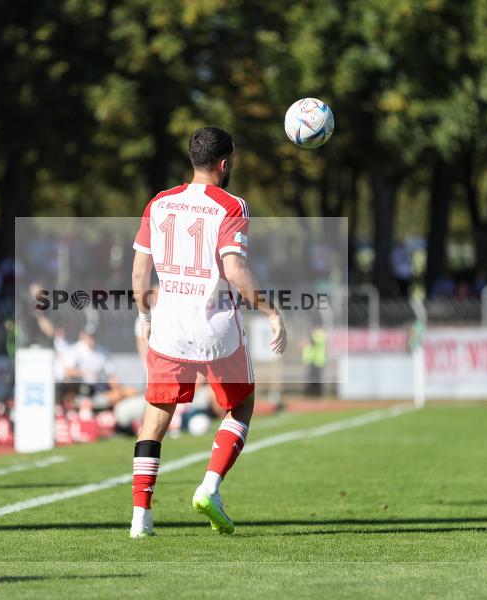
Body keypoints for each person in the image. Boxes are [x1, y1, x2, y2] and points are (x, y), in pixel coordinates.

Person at [129, 127, 287, 538]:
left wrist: (145, 318)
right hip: (216, 328)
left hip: (167, 327)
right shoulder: (231, 205)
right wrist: (271, 311)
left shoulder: (159, 203)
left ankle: (140, 518)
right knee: (242, 406)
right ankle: (209, 488)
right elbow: (234, 270)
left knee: (155, 419)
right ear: (224, 163)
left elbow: (139, 273)